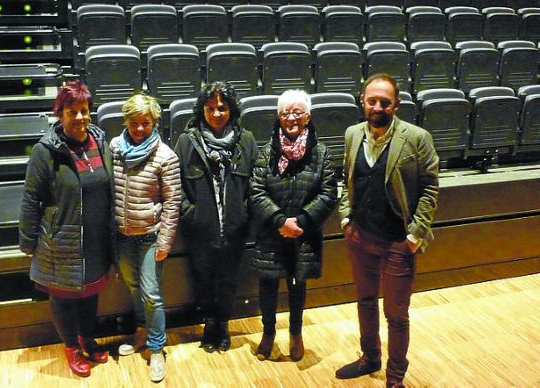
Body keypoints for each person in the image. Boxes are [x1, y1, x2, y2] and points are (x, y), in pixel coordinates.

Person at [334, 74, 439, 388]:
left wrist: (414, 236)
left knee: (396, 313)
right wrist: (345, 220)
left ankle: (395, 378)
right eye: (372, 100)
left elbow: (430, 189)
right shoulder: (353, 134)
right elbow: (346, 179)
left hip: (397, 242)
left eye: (385, 102)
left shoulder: (417, 137)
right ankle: (370, 358)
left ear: (397, 104)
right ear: (362, 100)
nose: (377, 106)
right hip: (361, 236)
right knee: (365, 301)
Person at [19, 80, 111, 377]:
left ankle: (88, 339)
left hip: (96, 237)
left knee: (90, 292)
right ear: (60, 114)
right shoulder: (45, 151)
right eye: (73, 111)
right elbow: (31, 198)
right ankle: (71, 348)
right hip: (63, 238)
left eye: (84, 110)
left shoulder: (100, 141)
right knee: (64, 297)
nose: (81, 117)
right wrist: (28, 240)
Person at [249, 89, 337, 362]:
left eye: (297, 112)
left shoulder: (321, 154)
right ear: (278, 116)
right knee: (268, 286)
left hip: (303, 234)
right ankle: (268, 333)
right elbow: (256, 191)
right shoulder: (266, 153)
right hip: (271, 233)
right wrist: (279, 220)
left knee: (298, 286)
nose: (291, 118)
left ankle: (296, 334)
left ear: (308, 117)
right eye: (286, 113)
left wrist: (300, 221)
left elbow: (329, 193)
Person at [173, 81, 258, 353]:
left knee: (229, 280)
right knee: (204, 278)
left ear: (231, 110)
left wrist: (244, 213)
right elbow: (175, 186)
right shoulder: (187, 142)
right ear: (202, 111)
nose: (217, 113)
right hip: (200, 230)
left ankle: (223, 324)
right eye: (211, 108)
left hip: (235, 228)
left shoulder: (246, 141)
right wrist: (192, 215)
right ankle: (209, 324)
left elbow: (255, 183)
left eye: (222, 107)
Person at [110, 94, 181, 383]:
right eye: (134, 123)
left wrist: (164, 242)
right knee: (132, 285)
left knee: (151, 294)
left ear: (154, 123)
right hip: (122, 236)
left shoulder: (166, 156)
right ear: (125, 121)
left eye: (146, 123)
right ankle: (140, 330)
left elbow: (173, 202)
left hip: (151, 237)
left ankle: (157, 348)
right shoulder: (114, 148)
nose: (140, 129)